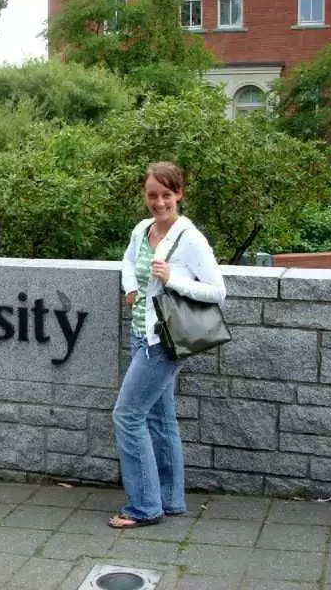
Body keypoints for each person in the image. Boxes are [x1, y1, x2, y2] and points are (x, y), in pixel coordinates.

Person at [109, 161, 226, 529]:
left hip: (163, 340)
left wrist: (174, 279)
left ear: (179, 193)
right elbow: (128, 263)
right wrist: (131, 287)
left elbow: (218, 291)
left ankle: (144, 507)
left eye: (166, 195)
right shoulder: (142, 231)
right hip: (140, 333)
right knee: (160, 418)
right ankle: (171, 500)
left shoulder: (190, 239)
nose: (159, 202)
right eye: (152, 195)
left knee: (127, 416)